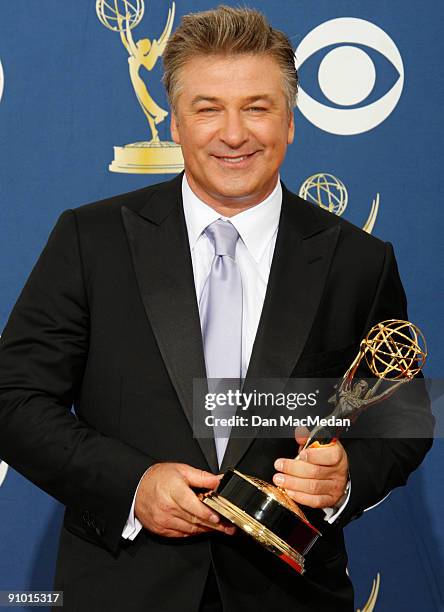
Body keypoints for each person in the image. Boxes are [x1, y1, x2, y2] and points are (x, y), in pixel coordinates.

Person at [0, 6, 433, 611]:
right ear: (175, 122)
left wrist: (345, 478)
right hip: (123, 587)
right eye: (208, 108)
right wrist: (133, 485)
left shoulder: (357, 260)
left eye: (257, 107)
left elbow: (400, 417)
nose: (234, 134)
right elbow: (14, 399)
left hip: (290, 593)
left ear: (290, 123)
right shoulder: (90, 239)